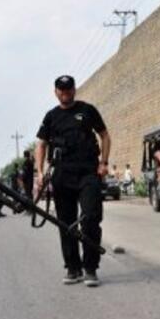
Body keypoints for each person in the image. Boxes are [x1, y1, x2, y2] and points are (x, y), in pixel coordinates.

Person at [35, 75, 110, 287]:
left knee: (90, 218)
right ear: (55, 92)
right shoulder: (51, 116)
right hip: (62, 175)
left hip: (88, 172)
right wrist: (39, 172)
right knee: (65, 223)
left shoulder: (88, 110)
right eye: (61, 89)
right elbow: (41, 144)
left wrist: (103, 162)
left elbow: (105, 135)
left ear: (74, 90)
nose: (65, 92)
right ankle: (73, 268)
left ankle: (90, 268)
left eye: (68, 89)